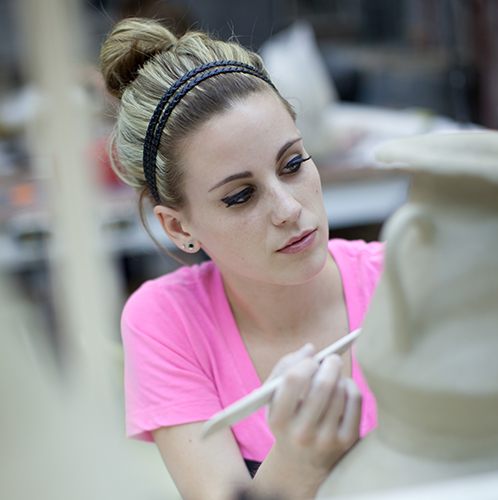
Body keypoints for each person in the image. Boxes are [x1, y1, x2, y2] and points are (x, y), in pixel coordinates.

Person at [100, 18, 384, 500]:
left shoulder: (398, 279)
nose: (289, 209)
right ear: (178, 226)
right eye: (240, 196)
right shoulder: (167, 321)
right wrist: (298, 462)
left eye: (293, 164)